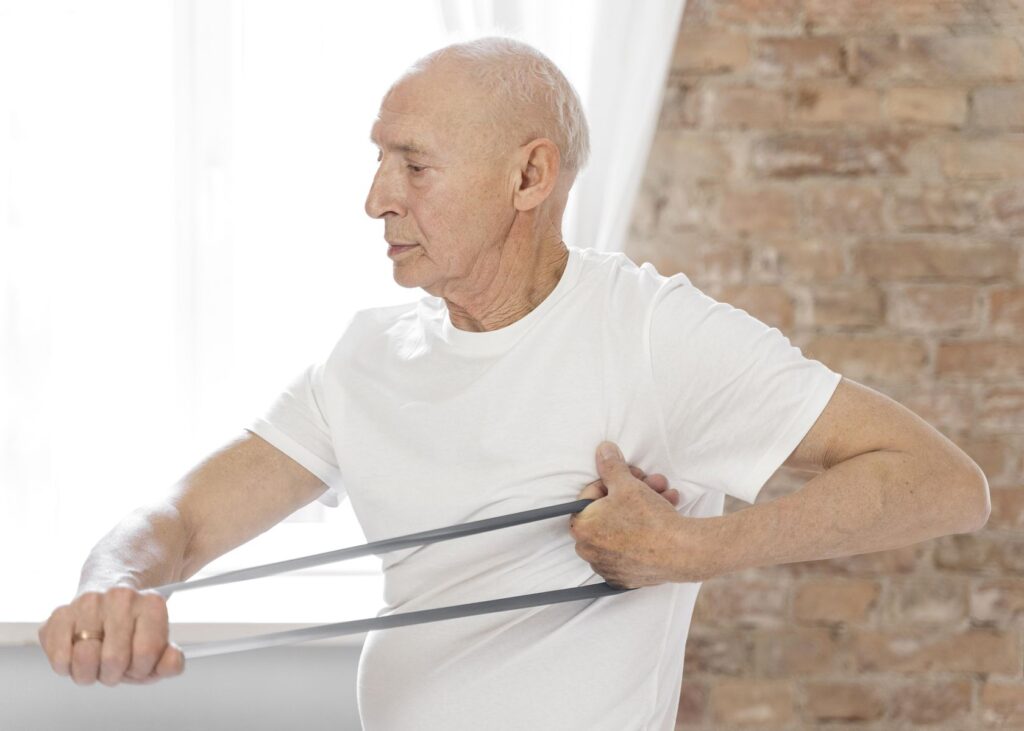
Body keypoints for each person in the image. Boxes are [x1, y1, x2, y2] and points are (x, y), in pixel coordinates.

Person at [39, 36, 990, 730]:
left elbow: (943, 484)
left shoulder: (653, 331)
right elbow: (187, 518)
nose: (376, 196)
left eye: (413, 163)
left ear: (530, 176)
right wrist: (113, 583)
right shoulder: (365, 357)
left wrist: (693, 548)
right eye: (378, 159)